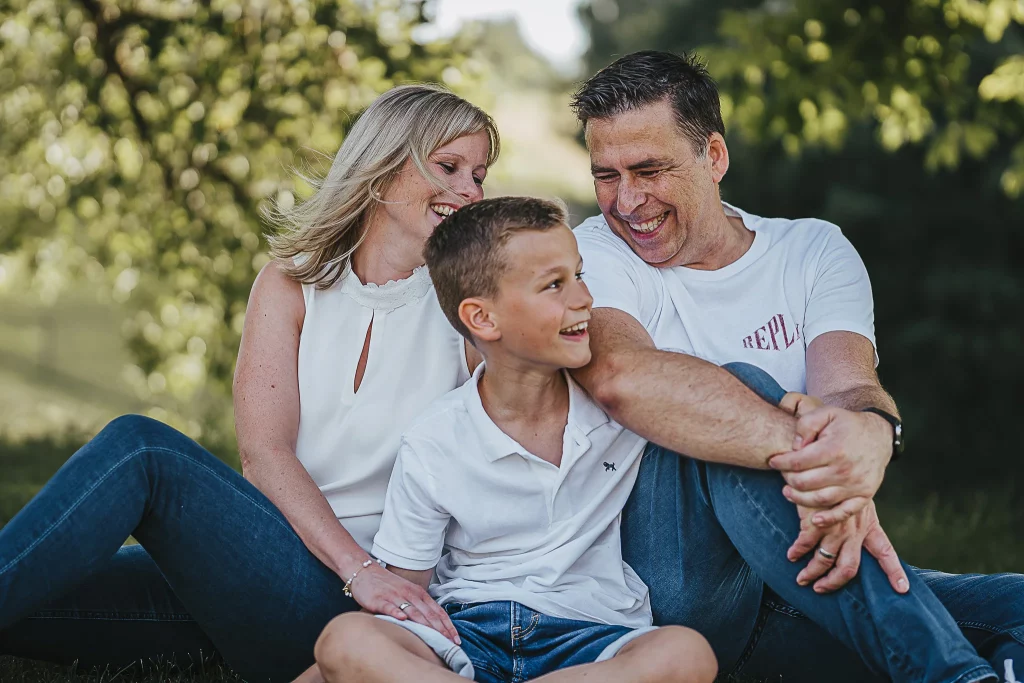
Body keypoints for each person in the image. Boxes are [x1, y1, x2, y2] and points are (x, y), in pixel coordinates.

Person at [0, 84, 499, 683]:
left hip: (371, 610)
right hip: (271, 566)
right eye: (449, 167)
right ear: (384, 167)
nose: (471, 191)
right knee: (34, 585)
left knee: (144, 450)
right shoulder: (291, 285)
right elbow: (264, 454)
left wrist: (366, 574)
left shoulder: (469, 310)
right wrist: (353, 567)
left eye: (479, 175)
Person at [568, 49, 1024, 683]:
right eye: (606, 175)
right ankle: (950, 676)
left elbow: (850, 389)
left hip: (796, 575)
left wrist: (870, 436)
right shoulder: (592, 252)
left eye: (649, 170)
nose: (626, 201)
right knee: (741, 389)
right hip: (668, 599)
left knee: (1016, 608)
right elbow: (620, 377)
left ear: (714, 157)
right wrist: (823, 466)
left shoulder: (812, 250)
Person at [304, 196, 718, 683]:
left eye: (579, 275)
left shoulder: (622, 406)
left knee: (687, 653)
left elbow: (712, 394)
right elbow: (403, 595)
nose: (584, 298)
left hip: (591, 635)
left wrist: (789, 405)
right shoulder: (434, 441)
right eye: (554, 285)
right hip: (468, 632)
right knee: (345, 639)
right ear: (483, 319)